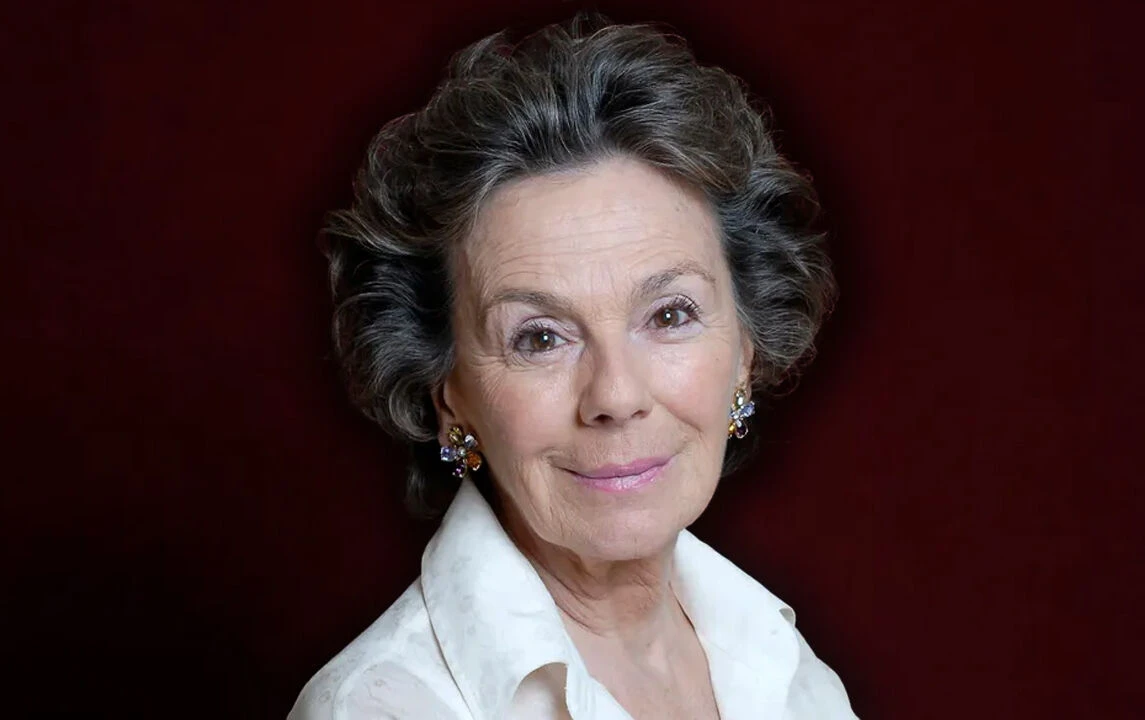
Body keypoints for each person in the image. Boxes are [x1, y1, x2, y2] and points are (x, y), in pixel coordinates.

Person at [289, 14, 857, 720]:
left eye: (669, 315)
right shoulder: (388, 706)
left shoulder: (786, 671)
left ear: (744, 351)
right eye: (539, 338)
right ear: (448, 394)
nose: (615, 396)